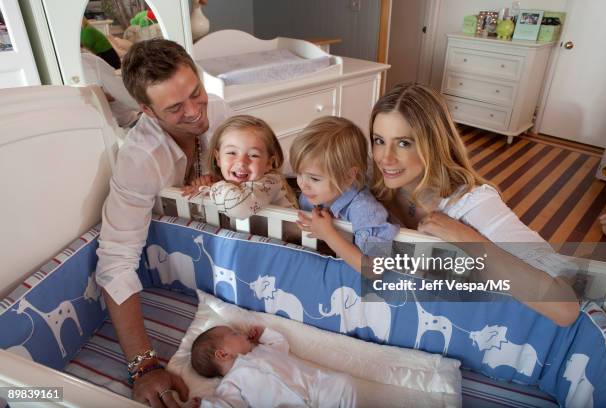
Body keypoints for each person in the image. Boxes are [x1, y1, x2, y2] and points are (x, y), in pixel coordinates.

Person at [367, 83, 579, 327]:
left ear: (434, 145)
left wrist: (467, 238)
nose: (385, 157)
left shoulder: (473, 204)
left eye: (404, 143)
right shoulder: (375, 187)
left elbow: (564, 308)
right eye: (379, 140)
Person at [95, 38, 232, 407]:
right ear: (148, 111)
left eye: (195, 92)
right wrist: (143, 366)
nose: (194, 112)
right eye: (175, 107)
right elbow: (116, 261)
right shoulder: (140, 158)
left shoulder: (218, 110)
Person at [290, 116, 398, 272]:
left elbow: (375, 269)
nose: (302, 183)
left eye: (314, 178)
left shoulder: (365, 210)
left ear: (348, 176)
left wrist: (328, 234)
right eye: (299, 173)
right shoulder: (311, 194)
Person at [191, 325, 356, 408]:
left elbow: (280, 342)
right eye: (234, 334)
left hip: (314, 388)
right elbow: (227, 405)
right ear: (222, 354)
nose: (241, 333)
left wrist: (262, 334)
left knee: (344, 383)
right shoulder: (230, 383)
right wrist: (206, 404)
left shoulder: (262, 349)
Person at [183, 115, 298, 219]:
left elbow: (239, 208)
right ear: (218, 158)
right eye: (232, 153)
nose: (242, 162)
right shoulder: (224, 182)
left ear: (269, 163)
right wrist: (202, 189)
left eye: (254, 155)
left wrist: (211, 189)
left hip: (294, 241)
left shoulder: (270, 183)